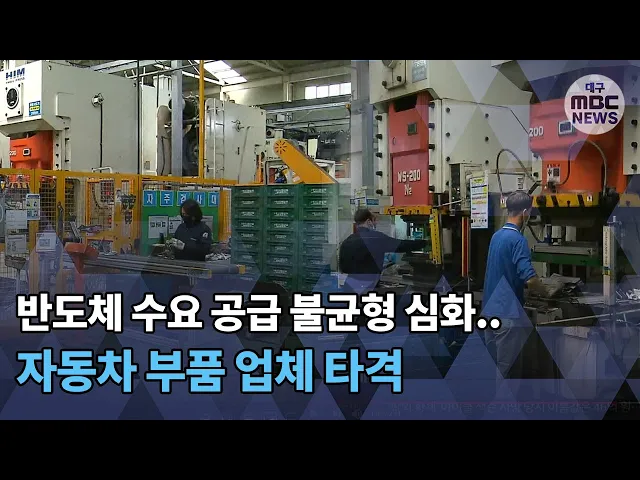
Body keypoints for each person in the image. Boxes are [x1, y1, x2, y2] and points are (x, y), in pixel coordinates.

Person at [482, 190, 552, 379]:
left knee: (495, 369)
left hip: (489, 312)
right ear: (525, 212)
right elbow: (530, 278)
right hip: (506, 315)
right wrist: (545, 292)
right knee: (507, 373)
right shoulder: (518, 240)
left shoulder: (496, 237)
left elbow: (504, 269)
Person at [339, 208, 428, 289]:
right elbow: (401, 245)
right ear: (368, 221)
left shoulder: (347, 240)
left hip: (349, 285)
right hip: (367, 285)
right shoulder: (374, 237)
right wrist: (425, 243)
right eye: (374, 220)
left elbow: (343, 267)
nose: (376, 223)